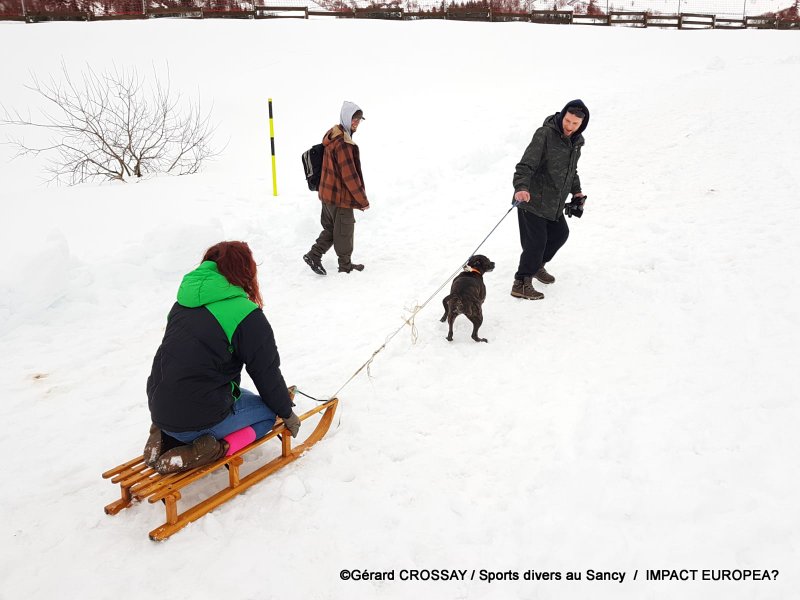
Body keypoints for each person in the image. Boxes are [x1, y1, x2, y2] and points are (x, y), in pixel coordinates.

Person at [143, 241, 301, 474]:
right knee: (267, 414)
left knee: (238, 396)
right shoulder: (245, 314)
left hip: (160, 408)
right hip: (197, 416)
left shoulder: (182, 303)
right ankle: (211, 450)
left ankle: (162, 434)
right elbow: (265, 371)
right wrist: (285, 412)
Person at [511, 99, 589, 300]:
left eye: (575, 124)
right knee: (536, 242)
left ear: (582, 124)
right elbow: (526, 164)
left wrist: (577, 192)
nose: (569, 126)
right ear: (562, 116)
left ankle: (537, 266)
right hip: (533, 199)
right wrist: (521, 187)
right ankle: (521, 282)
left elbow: (571, 171)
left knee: (560, 234)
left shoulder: (576, 142)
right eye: (568, 121)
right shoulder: (545, 134)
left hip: (554, 203)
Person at [303, 101, 369, 276]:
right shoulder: (343, 143)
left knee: (332, 229)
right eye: (354, 119)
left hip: (327, 193)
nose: (356, 123)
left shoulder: (334, 134)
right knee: (344, 231)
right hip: (339, 197)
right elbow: (350, 176)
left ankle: (314, 254)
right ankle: (345, 267)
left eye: (359, 120)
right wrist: (362, 200)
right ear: (346, 118)